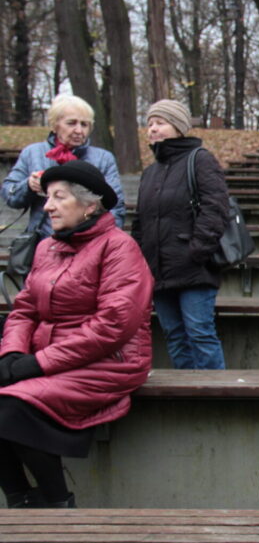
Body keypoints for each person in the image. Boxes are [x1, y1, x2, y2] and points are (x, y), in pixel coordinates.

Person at [0, 160, 153, 508]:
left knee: (13, 406)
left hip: (110, 362)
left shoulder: (119, 247)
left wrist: (36, 364)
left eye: (59, 197)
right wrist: (12, 354)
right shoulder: (47, 248)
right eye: (48, 198)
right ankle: (21, 501)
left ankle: (59, 504)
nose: (48, 206)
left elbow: (113, 326)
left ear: (89, 205)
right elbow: (25, 309)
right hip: (53, 358)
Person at [132, 100, 229, 370]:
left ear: (178, 126)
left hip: (193, 269)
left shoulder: (200, 159)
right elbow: (140, 220)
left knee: (200, 334)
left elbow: (215, 208)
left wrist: (196, 251)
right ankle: (186, 391)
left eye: (160, 123)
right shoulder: (150, 173)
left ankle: (215, 393)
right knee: (174, 337)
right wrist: (140, 259)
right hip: (158, 270)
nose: (152, 129)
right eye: (150, 124)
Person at [2, 95, 126, 238]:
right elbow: (9, 195)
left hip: (87, 241)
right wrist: (28, 186)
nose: (79, 130)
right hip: (42, 241)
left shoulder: (103, 159)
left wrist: (105, 241)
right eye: (71, 123)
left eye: (84, 125)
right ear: (55, 125)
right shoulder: (33, 153)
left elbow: (115, 207)